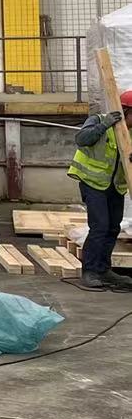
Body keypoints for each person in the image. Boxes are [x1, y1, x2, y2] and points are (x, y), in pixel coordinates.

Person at [69, 88, 132, 291]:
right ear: (125, 111)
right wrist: (104, 126)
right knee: (100, 226)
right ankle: (90, 270)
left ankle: (104, 269)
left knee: (113, 227)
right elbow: (81, 139)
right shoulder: (99, 120)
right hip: (93, 182)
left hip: (115, 186)